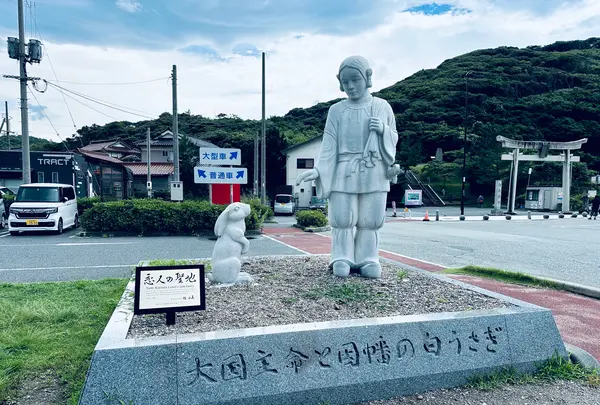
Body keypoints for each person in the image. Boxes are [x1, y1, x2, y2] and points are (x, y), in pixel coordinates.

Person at [296, 56, 398, 279]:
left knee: (369, 220)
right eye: (346, 82)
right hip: (343, 168)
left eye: (355, 80)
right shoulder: (336, 110)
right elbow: (329, 145)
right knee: (343, 218)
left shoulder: (382, 107)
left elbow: (394, 138)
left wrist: (382, 130)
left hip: (374, 169)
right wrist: (319, 171)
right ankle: (341, 256)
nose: (350, 86)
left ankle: (368, 258)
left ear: (367, 77)